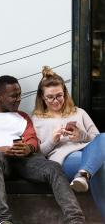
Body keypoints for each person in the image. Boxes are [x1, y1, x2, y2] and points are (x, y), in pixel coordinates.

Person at [0, 75, 84, 224]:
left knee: (54, 167)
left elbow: (32, 140)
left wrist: (28, 148)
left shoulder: (23, 116)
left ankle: (75, 219)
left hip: (25, 160)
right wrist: (0, 149)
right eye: (13, 96)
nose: (19, 99)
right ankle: (3, 220)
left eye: (19, 94)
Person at [32, 66, 105, 221]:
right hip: (64, 159)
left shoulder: (79, 112)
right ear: (41, 97)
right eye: (50, 97)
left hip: (88, 153)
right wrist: (53, 140)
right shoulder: (37, 120)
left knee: (104, 137)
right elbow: (39, 155)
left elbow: (99, 141)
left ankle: (84, 174)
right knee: (101, 166)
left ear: (65, 92)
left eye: (59, 95)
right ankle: (84, 174)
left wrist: (81, 135)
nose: (55, 100)